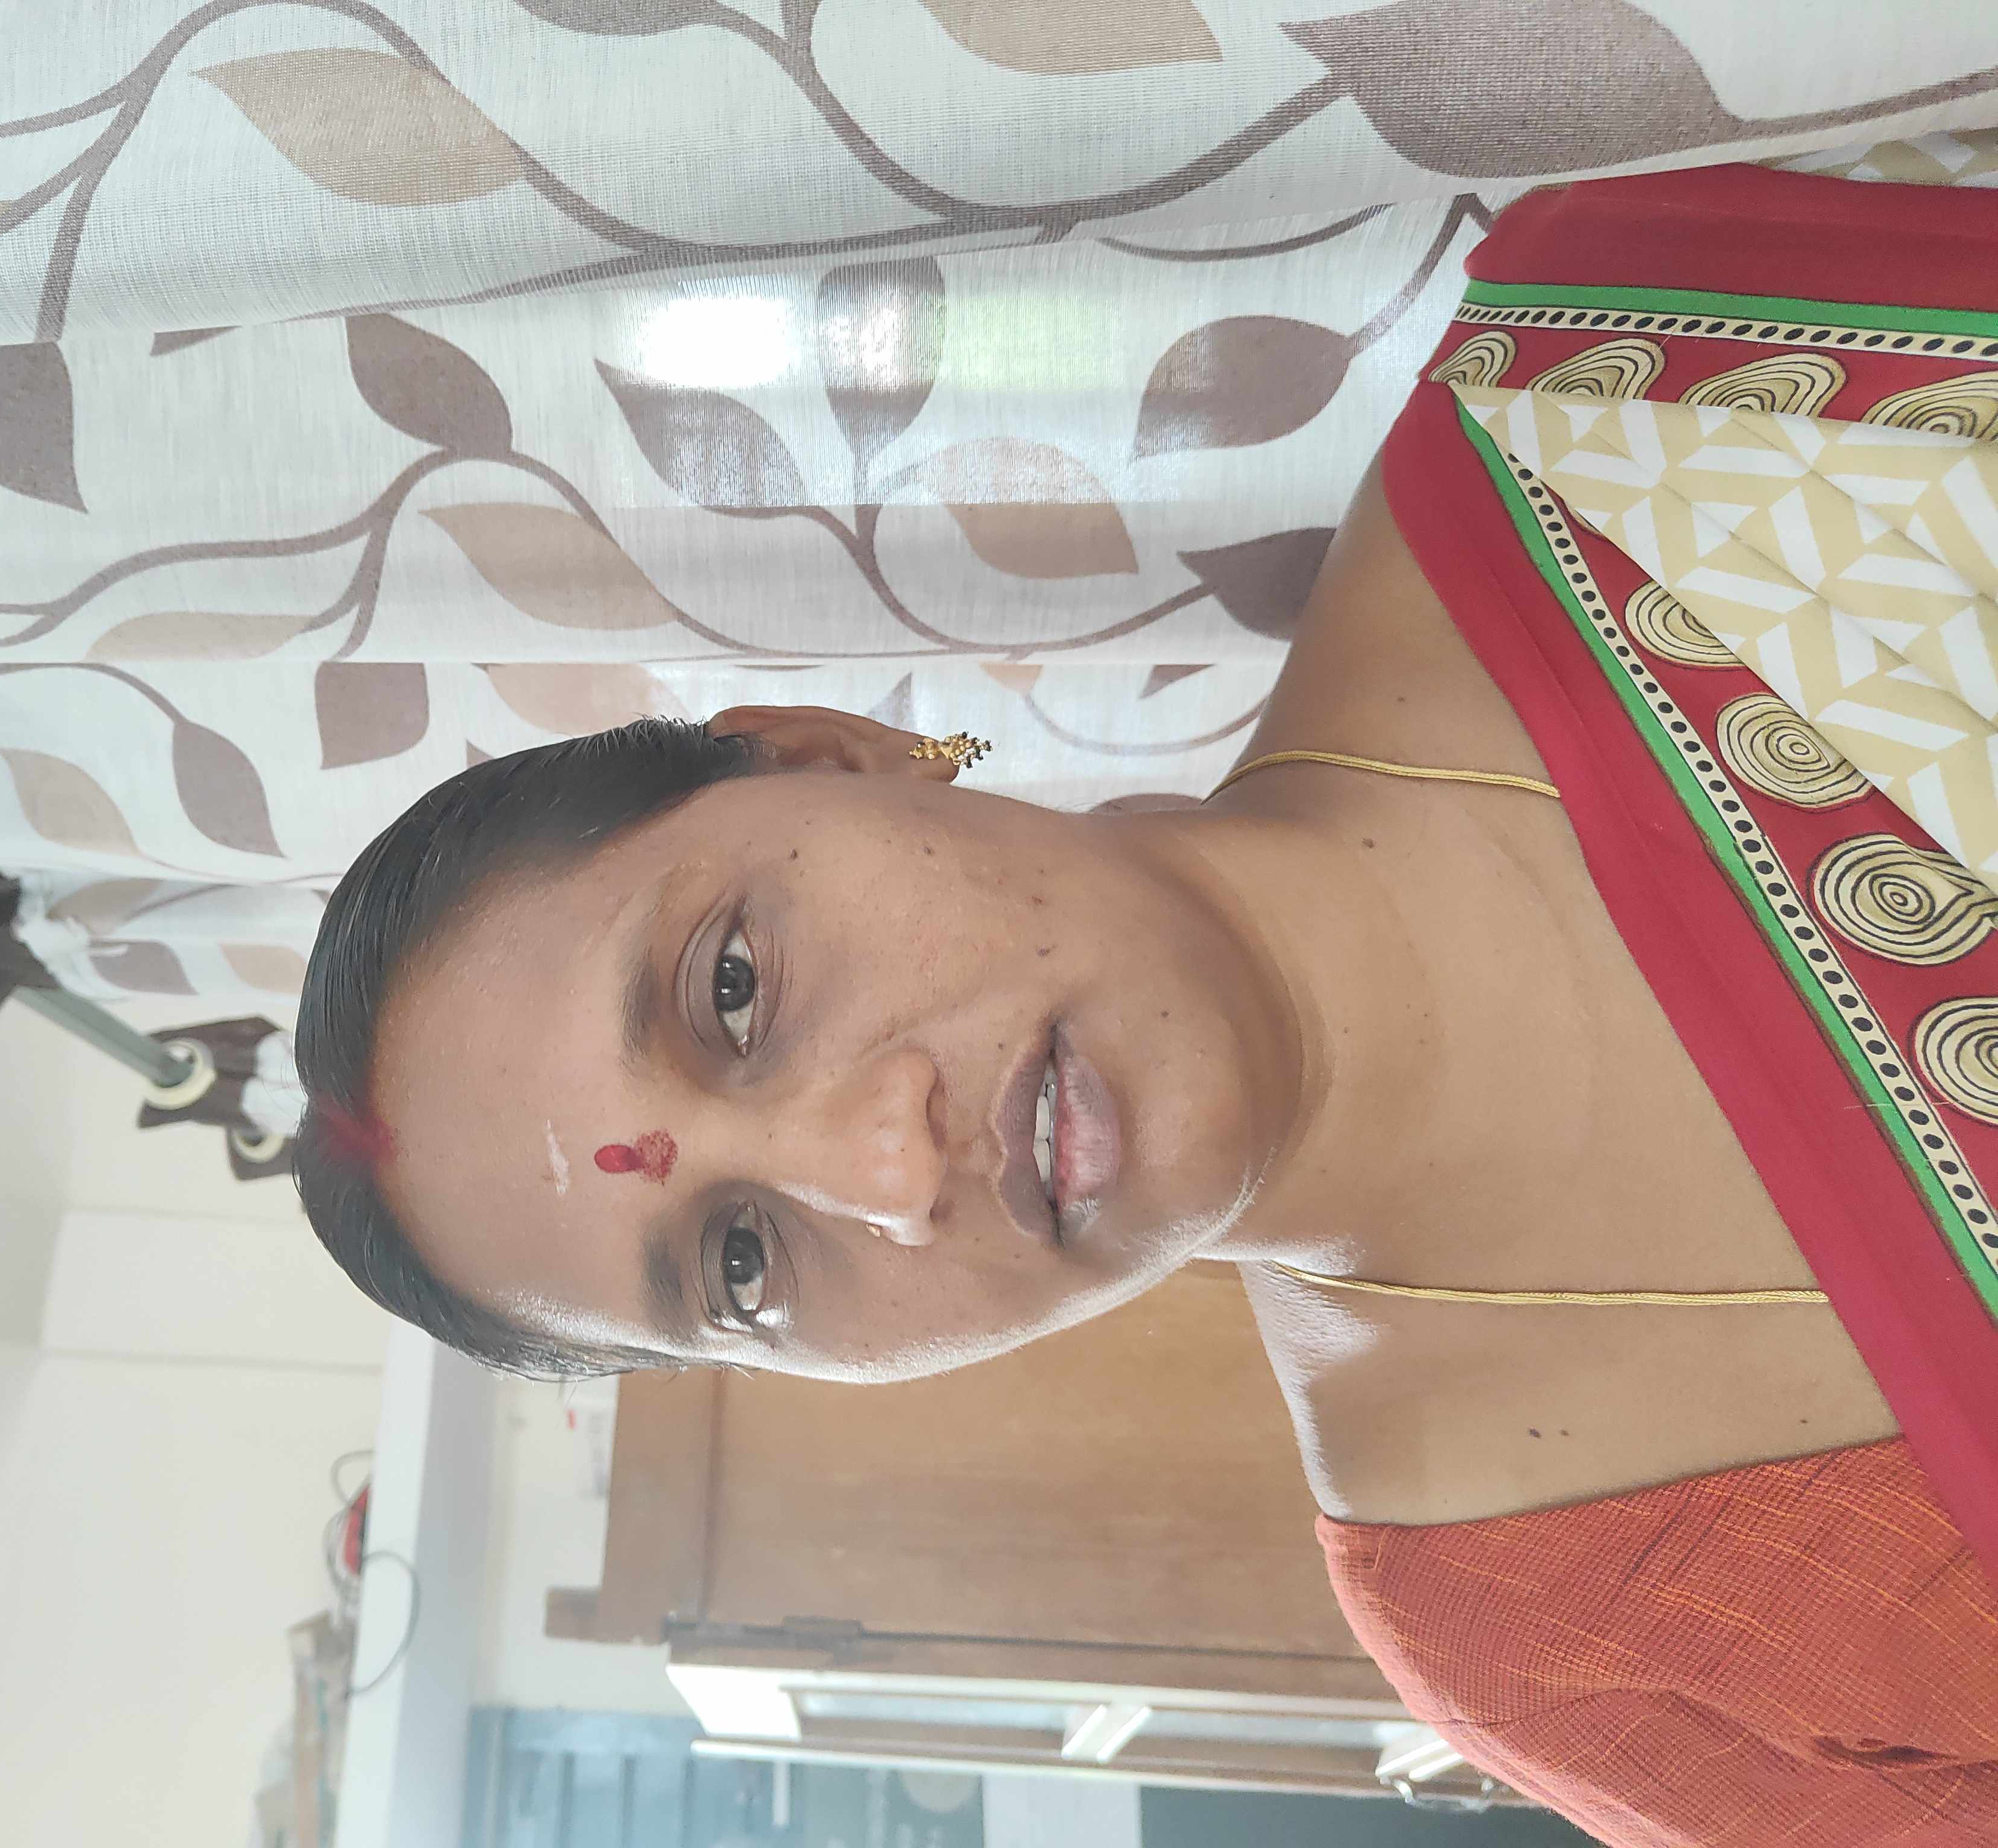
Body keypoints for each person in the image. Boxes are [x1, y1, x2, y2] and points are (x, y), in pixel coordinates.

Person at [294, 161, 1998, 1844]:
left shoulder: (1639, 409)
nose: (887, 1168)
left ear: (830, 753)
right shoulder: (1552, 1636)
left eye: (733, 988)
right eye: (740, 1265)